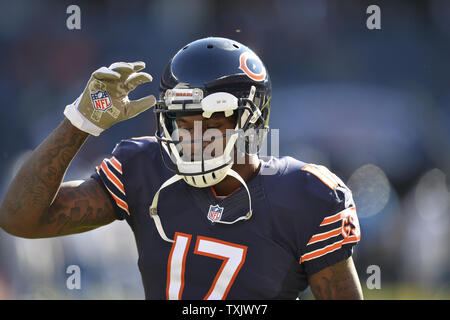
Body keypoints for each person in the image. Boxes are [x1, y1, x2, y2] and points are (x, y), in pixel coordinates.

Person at [0, 37, 363, 300]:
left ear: (253, 122)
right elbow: (20, 218)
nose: (194, 136)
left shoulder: (305, 195)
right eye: (184, 122)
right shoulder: (144, 168)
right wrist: (80, 122)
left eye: (212, 121)